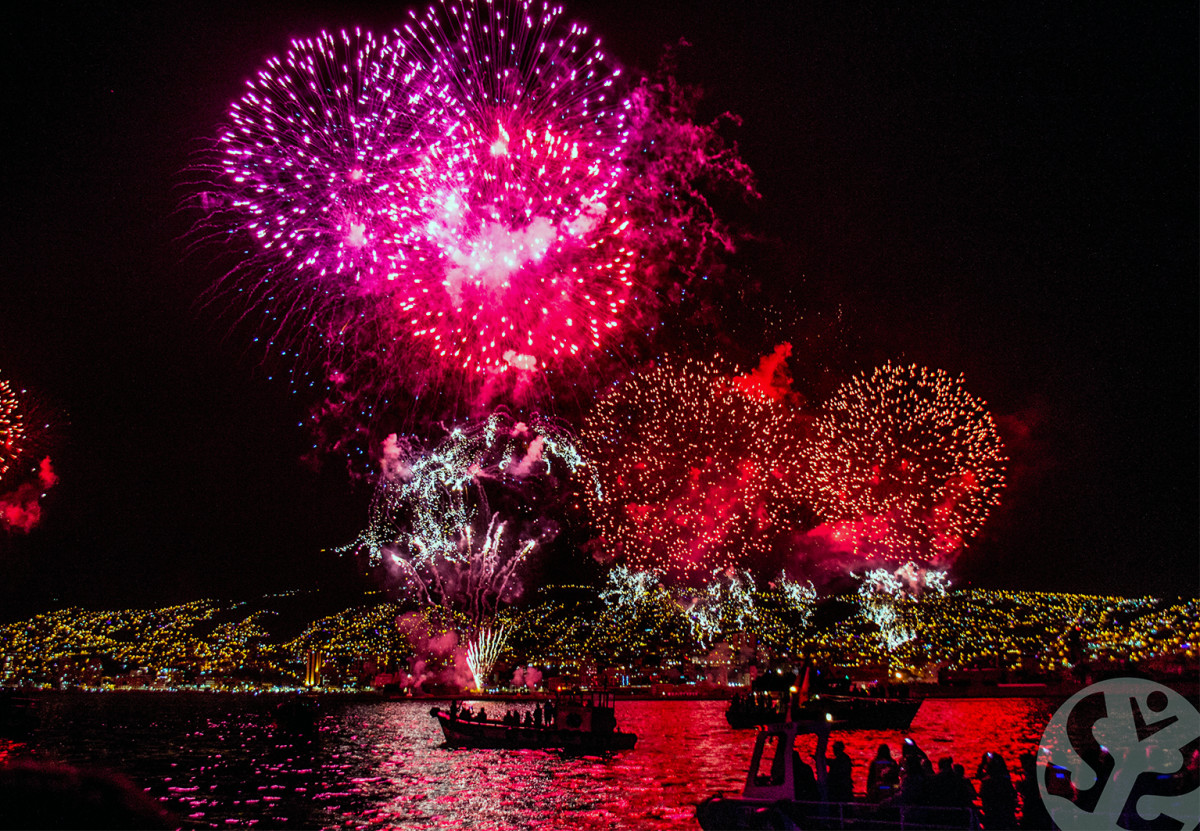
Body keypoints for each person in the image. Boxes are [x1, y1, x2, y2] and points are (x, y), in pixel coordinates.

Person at [978, 752, 1017, 830]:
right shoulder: (1005, 780)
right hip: (1007, 815)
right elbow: (1013, 795)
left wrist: (982, 763)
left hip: (991, 815)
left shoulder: (987, 782)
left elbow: (979, 776)